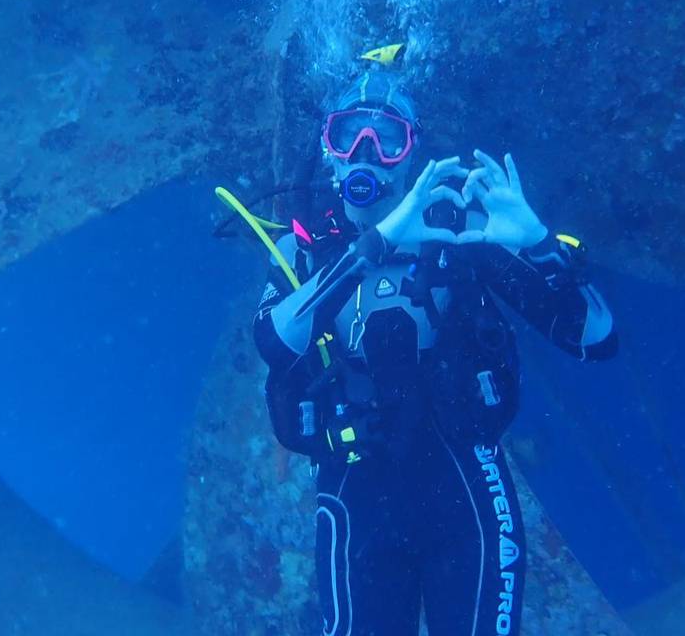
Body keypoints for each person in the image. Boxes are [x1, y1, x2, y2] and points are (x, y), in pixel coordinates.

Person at [251, 71, 617, 636]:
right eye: (349, 135)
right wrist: (376, 244)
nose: (365, 155)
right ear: (330, 150)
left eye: (387, 138)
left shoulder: (461, 233)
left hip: (467, 493)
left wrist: (539, 244)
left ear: (410, 150)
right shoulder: (301, 250)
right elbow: (275, 341)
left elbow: (595, 339)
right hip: (356, 498)